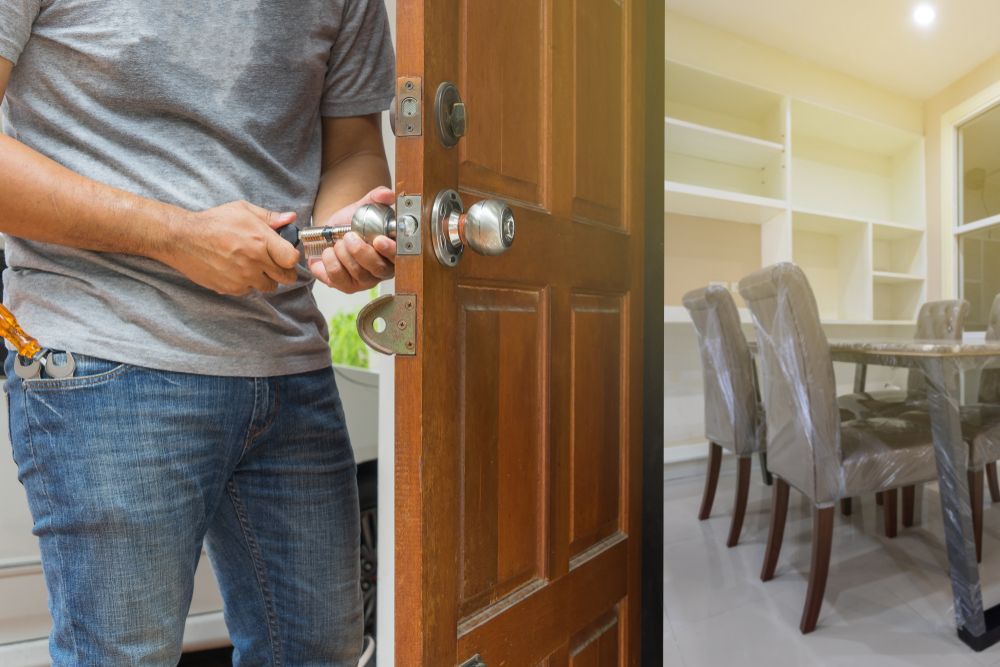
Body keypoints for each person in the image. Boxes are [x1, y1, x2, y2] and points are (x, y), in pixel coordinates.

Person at [0, 1, 395, 664]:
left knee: (323, 649)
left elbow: (354, 148)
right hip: (105, 356)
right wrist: (174, 236)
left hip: (288, 364)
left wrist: (342, 232)